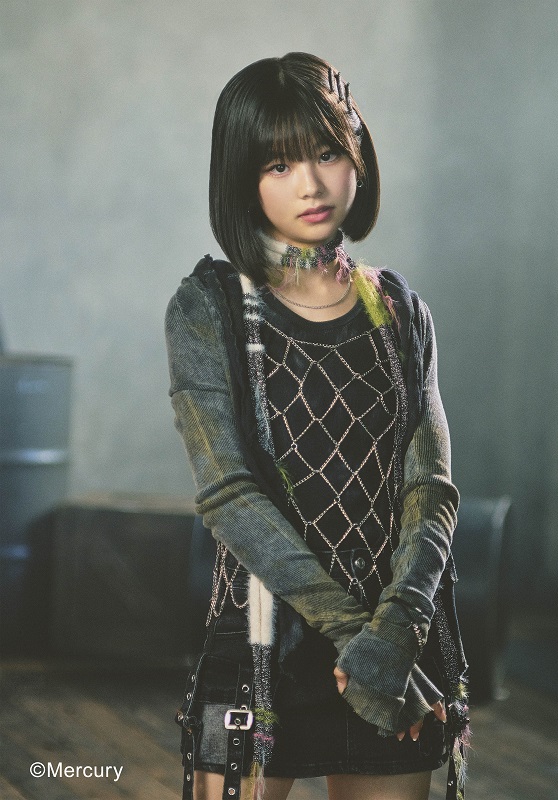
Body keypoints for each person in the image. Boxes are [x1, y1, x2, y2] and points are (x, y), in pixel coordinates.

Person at [166, 52, 469, 800]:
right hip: (263, 644)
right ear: (242, 177)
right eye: (279, 164)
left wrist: (394, 634)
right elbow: (230, 493)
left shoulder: (400, 311)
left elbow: (430, 491)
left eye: (328, 152)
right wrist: (353, 637)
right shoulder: (209, 307)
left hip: (397, 645)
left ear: (357, 154)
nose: (311, 183)